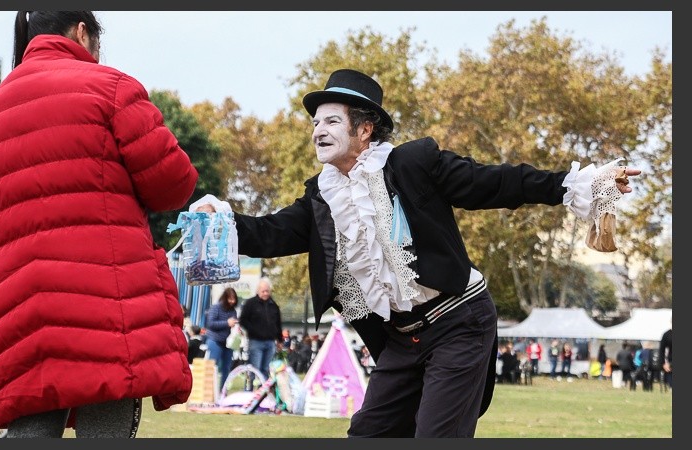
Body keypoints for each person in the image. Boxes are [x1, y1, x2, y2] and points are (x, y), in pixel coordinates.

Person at [191, 68, 640, 437]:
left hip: (460, 322)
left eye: (330, 121)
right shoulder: (322, 197)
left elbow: (496, 182)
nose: (318, 131)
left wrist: (575, 184)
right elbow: (270, 233)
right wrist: (221, 218)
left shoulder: (413, 164)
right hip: (403, 340)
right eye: (315, 123)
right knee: (367, 434)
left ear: (365, 128)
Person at [0, 11, 198, 438]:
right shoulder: (110, 87)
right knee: (105, 424)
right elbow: (173, 184)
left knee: (30, 428)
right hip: (104, 300)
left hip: (22, 305)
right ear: (81, 32)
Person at [238, 277, 283, 380]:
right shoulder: (250, 303)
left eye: (267, 291)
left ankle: (263, 393)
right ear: (258, 291)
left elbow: (278, 323)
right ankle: (250, 392)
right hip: (255, 342)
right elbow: (243, 320)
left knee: (266, 369)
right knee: (255, 368)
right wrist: (253, 330)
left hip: (270, 342)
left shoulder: (273, 305)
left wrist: (279, 339)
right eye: (263, 291)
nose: (265, 293)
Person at [205, 287, 240, 390]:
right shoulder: (215, 308)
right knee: (212, 366)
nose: (232, 301)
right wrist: (226, 323)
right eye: (230, 299)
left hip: (227, 342)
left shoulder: (233, 311)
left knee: (226, 368)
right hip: (214, 340)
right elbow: (210, 324)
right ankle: (209, 390)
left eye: (234, 299)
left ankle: (223, 390)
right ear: (225, 298)